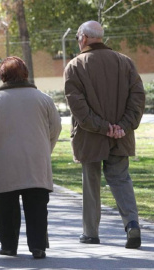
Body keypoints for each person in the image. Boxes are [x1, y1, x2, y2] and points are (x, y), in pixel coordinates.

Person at [63, 20, 145, 248]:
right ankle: (132, 225)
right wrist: (122, 126)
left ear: (84, 38)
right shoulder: (125, 62)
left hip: (90, 137)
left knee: (91, 184)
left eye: (78, 37)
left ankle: (91, 233)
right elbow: (138, 98)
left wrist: (103, 127)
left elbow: (77, 107)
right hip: (121, 136)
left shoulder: (75, 66)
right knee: (121, 180)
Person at [0, 56, 62, 259]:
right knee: (37, 207)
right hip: (36, 160)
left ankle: (8, 245)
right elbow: (56, 127)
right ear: (25, 74)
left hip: (5, 160)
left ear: (3, 76)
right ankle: (38, 246)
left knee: (6, 207)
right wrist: (45, 148)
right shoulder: (43, 98)